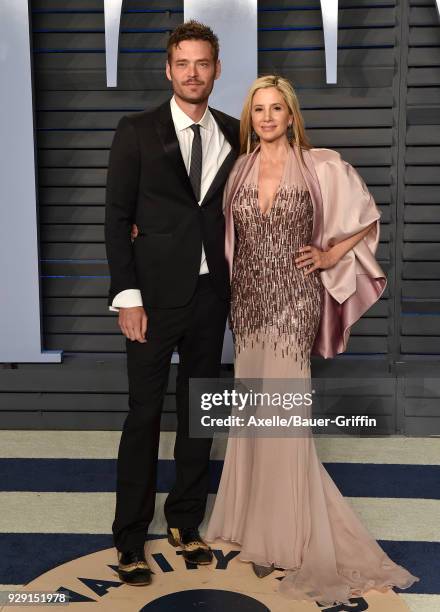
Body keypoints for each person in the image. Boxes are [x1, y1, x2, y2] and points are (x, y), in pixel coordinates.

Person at [205, 75, 419, 605]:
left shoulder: (321, 164)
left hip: (293, 304)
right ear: (250, 117)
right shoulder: (239, 169)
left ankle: (286, 529)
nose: (268, 117)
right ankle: (247, 519)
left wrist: (327, 256)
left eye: (277, 108)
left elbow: (365, 218)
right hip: (248, 305)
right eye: (259, 109)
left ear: (291, 114)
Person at [105, 20, 240, 586]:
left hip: (213, 296)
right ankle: (131, 538)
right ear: (168, 69)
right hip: (152, 301)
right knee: (144, 415)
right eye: (182, 63)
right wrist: (128, 296)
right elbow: (116, 218)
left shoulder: (239, 132)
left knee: (199, 414)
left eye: (202, 63)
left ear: (216, 70)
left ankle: (185, 522)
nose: (192, 73)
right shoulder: (136, 130)